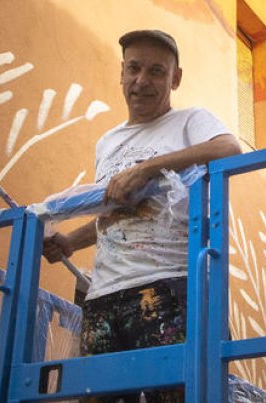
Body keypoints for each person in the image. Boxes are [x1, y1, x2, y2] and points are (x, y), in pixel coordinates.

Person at [42, 29, 241, 403]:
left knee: (182, 396)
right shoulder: (108, 142)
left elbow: (228, 148)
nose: (142, 81)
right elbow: (114, 215)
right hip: (102, 296)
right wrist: (70, 241)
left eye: (156, 71)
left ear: (175, 78)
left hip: (167, 289)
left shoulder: (189, 121)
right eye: (134, 69)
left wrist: (148, 168)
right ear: (121, 73)